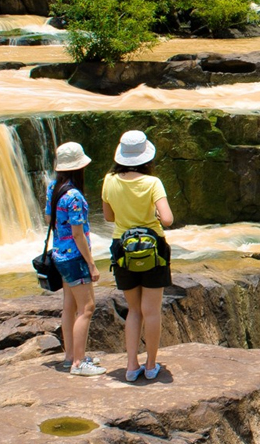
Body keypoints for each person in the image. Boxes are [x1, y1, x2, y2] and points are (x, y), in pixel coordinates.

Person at [102, 130, 174, 382]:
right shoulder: (153, 183)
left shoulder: (109, 181)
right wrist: (152, 216)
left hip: (122, 248)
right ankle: (151, 364)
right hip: (153, 248)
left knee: (133, 309)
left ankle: (131, 366)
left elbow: (109, 217)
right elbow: (167, 219)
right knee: (151, 310)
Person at [44, 142, 105, 377]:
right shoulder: (75, 196)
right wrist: (91, 263)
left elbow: (50, 218)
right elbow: (78, 234)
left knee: (69, 307)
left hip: (59, 254)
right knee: (87, 308)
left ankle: (70, 356)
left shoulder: (54, 188)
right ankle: (79, 362)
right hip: (75, 258)